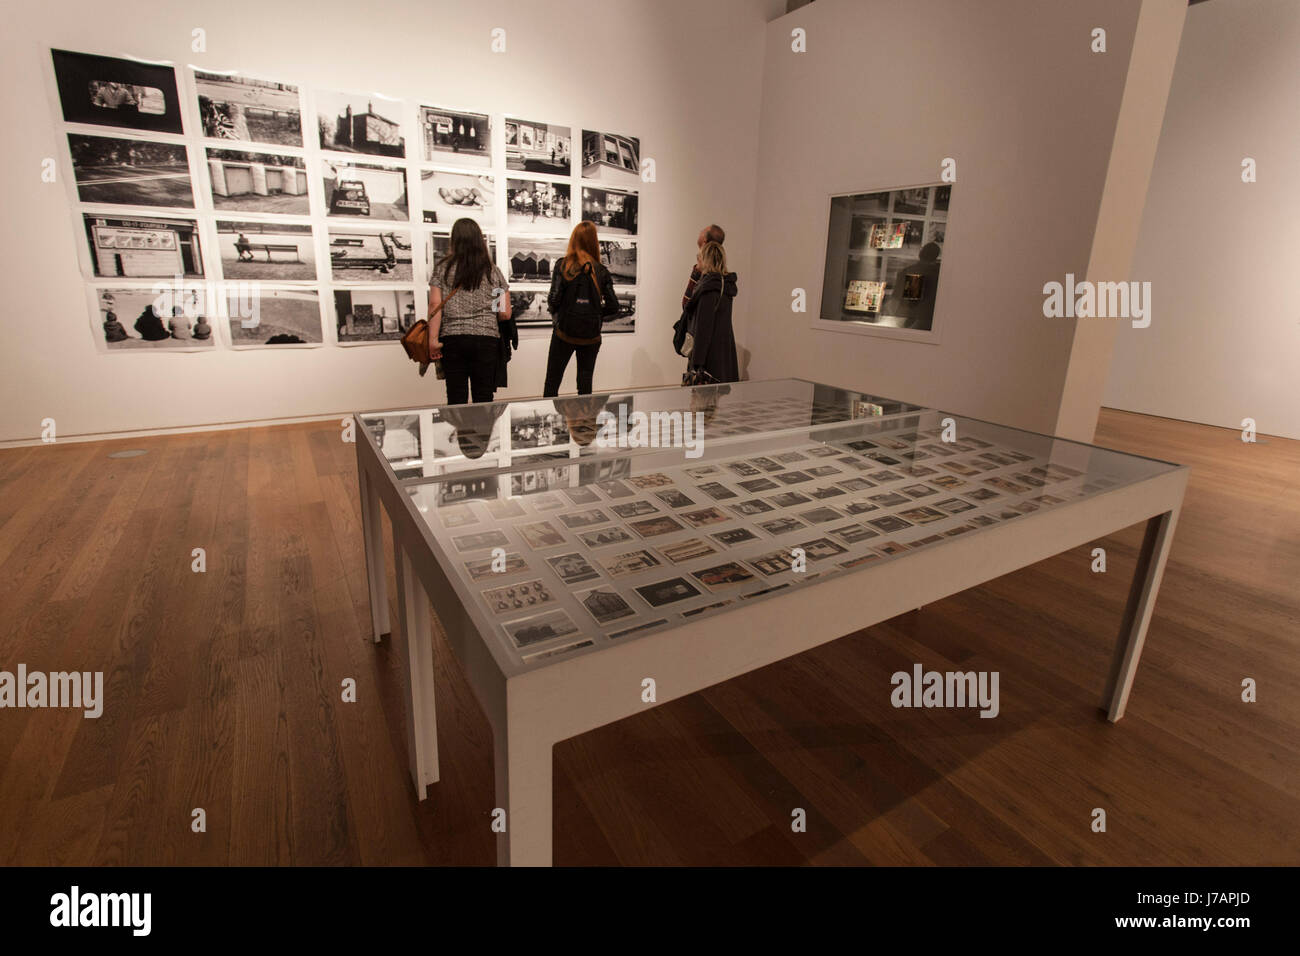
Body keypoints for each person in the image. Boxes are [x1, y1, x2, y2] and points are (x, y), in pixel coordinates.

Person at [428, 218, 512, 404]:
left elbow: (434, 305)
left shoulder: (442, 269)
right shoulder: (492, 271)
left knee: (456, 397)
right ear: (479, 240)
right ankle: (482, 425)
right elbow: (504, 313)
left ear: (454, 240)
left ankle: (460, 424)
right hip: (486, 339)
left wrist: (432, 340)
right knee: (483, 397)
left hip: (453, 338)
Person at [544, 220, 620, 396]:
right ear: (594, 242)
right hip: (591, 337)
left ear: (574, 240)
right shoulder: (601, 270)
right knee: (585, 386)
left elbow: (554, 299)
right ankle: (585, 414)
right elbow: (613, 306)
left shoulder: (563, 265)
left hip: (564, 333)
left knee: (552, 382)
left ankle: (548, 413)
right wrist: (596, 314)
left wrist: (558, 313)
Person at [680, 240, 739, 384]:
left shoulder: (708, 289)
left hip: (708, 356)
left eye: (699, 259)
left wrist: (696, 363)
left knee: (706, 396)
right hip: (723, 351)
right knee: (720, 393)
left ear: (705, 260)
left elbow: (703, 328)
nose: (697, 264)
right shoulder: (724, 285)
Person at [682, 223, 725, 309]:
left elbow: (686, 306)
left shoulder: (707, 277)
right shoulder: (719, 275)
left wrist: (696, 272)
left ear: (704, 241)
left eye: (703, 231)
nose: (700, 232)